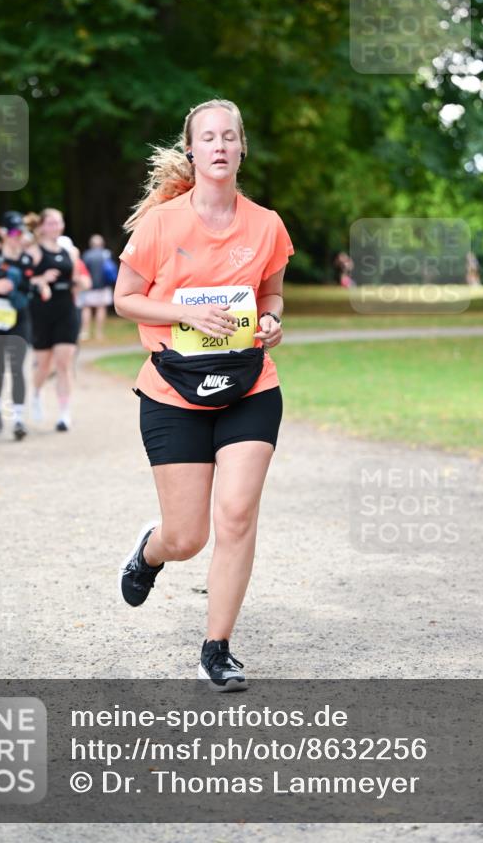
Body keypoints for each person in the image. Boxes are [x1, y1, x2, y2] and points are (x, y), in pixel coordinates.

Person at [114, 98, 294, 691]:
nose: (219, 146)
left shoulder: (266, 225)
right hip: (173, 391)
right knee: (187, 537)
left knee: (237, 515)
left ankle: (217, 649)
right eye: (208, 137)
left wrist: (271, 320)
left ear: (242, 148)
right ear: (191, 151)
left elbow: (271, 295)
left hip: (250, 385)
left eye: (229, 136)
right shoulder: (161, 224)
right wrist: (185, 313)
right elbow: (124, 299)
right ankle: (152, 552)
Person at [0, 212, 41, 440]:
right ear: (3, 233)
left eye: (20, 231)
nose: (17, 236)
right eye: (12, 231)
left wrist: (28, 288)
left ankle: (18, 419)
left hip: (19, 319)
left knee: (17, 367)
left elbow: (29, 288)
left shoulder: (26, 260)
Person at [25, 209, 90, 431]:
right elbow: (22, 281)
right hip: (41, 312)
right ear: (41, 226)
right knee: (44, 365)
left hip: (67, 310)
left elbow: (78, 278)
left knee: (63, 363)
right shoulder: (33, 252)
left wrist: (82, 283)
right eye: (50, 223)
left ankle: (64, 414)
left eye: (58, 222)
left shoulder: (70, 252)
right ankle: (36, 393)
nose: (55, 227)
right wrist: (40, 279)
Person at [80, 234, 117, 342]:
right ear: (102, 244)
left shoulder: (87, 255)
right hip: (103, 286)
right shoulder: (106, 254)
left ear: (91, 244)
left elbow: (83, 271)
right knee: (101, 308)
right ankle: (99, 333)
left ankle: (85, 332)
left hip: (89, 287)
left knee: (86, 308)